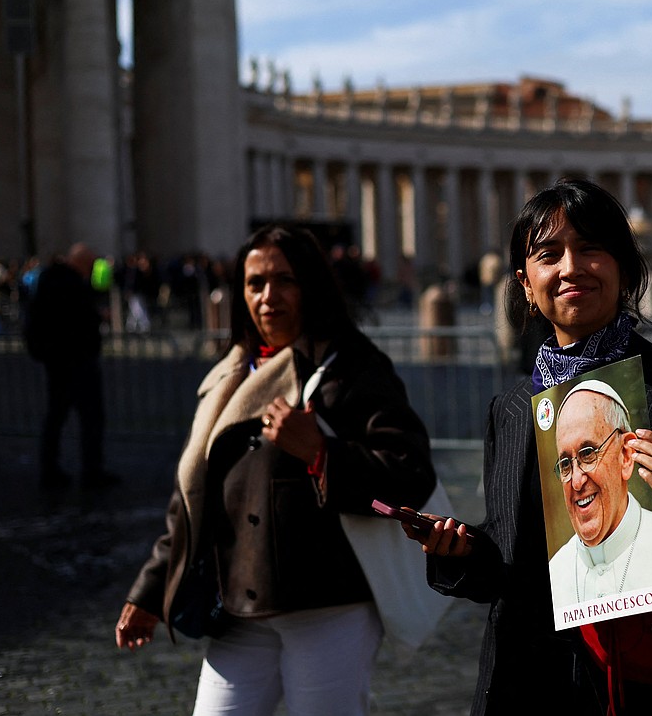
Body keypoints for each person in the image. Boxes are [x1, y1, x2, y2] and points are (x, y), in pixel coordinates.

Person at [405, 178, 652, 715]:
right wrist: (459, 555)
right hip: (529, 685)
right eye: (548, 254)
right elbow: (514, 563)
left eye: (590, 249)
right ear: (526, 284)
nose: (570, 268)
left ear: (625, 268)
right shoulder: (513, 409)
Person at [114, 224, 437, 716]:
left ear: (311, 284)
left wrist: (323, 453)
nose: (268, 296)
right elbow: (192, 498)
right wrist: (152, 590)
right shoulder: (227, 374)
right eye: (255, 283)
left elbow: (409, 476)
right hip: (239, 608)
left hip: (329, 605)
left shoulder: (352, 366)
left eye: (284, 280)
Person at [548, 380, 652, 606]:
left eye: (588, 453)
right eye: (564, 464)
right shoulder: (556, 570)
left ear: (626, 455)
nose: (576, 481)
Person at [23, 242, 114, 489]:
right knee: (89, 417)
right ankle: (90, 470)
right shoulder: (70, 285)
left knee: (57, 415)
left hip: (57, 360)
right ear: (82, 263)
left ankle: (51, 467)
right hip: (76, 359)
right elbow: (79, 321)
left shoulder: (49, 280)